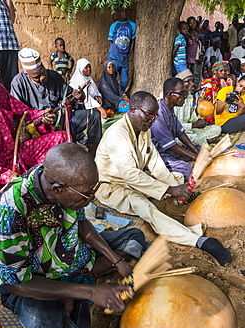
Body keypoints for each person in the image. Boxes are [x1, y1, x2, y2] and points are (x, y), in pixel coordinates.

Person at [0, 142, 149, 328]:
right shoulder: (11, 208)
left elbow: (82, 224)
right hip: (32, 284)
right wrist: (90, 291)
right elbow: (15, 284)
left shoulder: (63, 181)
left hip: (71, 260)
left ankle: (79, 285)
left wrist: (116, 260)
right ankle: (80, 286)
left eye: (94, 190)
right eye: (87, 195)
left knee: (134, 237)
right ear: (58, 188)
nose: (91, 199)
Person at [95, 91, 232, 265]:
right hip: (111, 186)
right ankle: (198, 241)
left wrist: (175, 186)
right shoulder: (117, 134)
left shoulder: (142, 128)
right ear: (133, 109)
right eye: (149, 115)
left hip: (132, 178)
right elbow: (130, 175)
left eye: (155, 116)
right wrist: (169, 189)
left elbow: (154, 162)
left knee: (174, 177)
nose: (152, 120)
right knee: (142, 205)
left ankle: (184, 201)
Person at [10, 48, 102, 157]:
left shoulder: (54, 76)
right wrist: (39, 117)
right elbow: (17, 114)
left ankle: (92, 157)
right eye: (37, 77)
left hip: (59, 120)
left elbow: (70, 99)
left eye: (43, 72)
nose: (43, 77)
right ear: (26, 74)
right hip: (35, 127)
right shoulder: (18, 83)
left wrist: (79, 98)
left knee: (94, 115)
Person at [0, 82, 67, 190]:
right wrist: (5, 176)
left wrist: (42, 116)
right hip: (1, 172)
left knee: (62, 139)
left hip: (17, 153)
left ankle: (61, 190)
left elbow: (25, 112)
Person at [151, 77, 199, 180]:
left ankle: (179, 159)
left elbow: (180, 133)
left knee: (201, 149)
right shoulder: (159, 113)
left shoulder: (170, 109)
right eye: (181, 94)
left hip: (169, 150)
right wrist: (194, 156)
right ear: (169, 94)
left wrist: (195, 151)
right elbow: (170, 146)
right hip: (158, 153)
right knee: (187, 170)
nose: (184, 97)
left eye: (185, 94)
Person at [174, 69, 221, 146]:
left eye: (192, 81)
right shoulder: (174, 99)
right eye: (188, 81)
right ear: (179, 84)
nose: (192, 84)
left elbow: (191, 119)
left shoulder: (189, 97)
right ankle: (205, 140)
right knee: (178, 139)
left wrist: (197, 109)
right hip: (178, 132)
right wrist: (193, 125)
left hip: (189, 130)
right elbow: (173, 127)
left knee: (217, 129)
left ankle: (200, 140)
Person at [107, 7, 136, 92]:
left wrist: (129, 54)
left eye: (127, 11)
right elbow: (111, 41)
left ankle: (119, 92)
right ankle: (113, 94)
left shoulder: (132, 25)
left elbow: (132, 41)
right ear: (119, 12)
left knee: (125, 80)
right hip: (114, 55)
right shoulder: (114, 25)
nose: (125, 13)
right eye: (123, 11)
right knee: (112, 77)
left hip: (125, 57)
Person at [0, 0, 20, 91]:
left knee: (12, 79)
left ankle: (11, 103)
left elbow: (12, 19)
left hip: (10, 44)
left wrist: (8, 2)